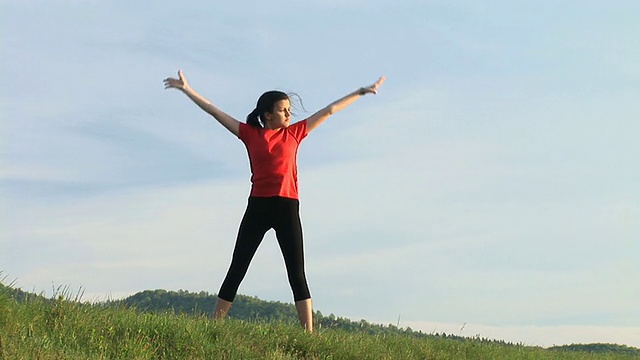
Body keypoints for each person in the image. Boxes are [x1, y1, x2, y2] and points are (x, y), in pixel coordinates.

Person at [163, 70, 385, 332]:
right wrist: (187, 89)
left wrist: (360, 92)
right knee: (238, 268)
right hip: (257, 207)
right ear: (267, 114)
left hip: (287, 207)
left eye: (289, 110)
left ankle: (309, 335)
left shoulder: (295, 133)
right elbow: (214, 111)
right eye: (283, 110)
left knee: (296, 274)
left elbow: (329, 110)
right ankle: (215, 326)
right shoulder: (250, 134)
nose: (289, 115)